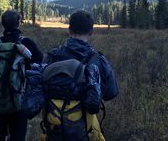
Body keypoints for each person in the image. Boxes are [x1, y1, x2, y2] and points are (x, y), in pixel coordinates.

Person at [44, 10, 119, 140]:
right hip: (84, 129)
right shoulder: (97, 59)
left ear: (69, 29)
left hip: (54, 127)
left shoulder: (52, 55)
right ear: (91, 32)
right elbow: (111, 93)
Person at [0, 9, 43, 141]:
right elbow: (39, 60)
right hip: (19, 101)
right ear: (19, 24)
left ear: (3, 24)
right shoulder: (26, 44)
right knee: (18, 137)